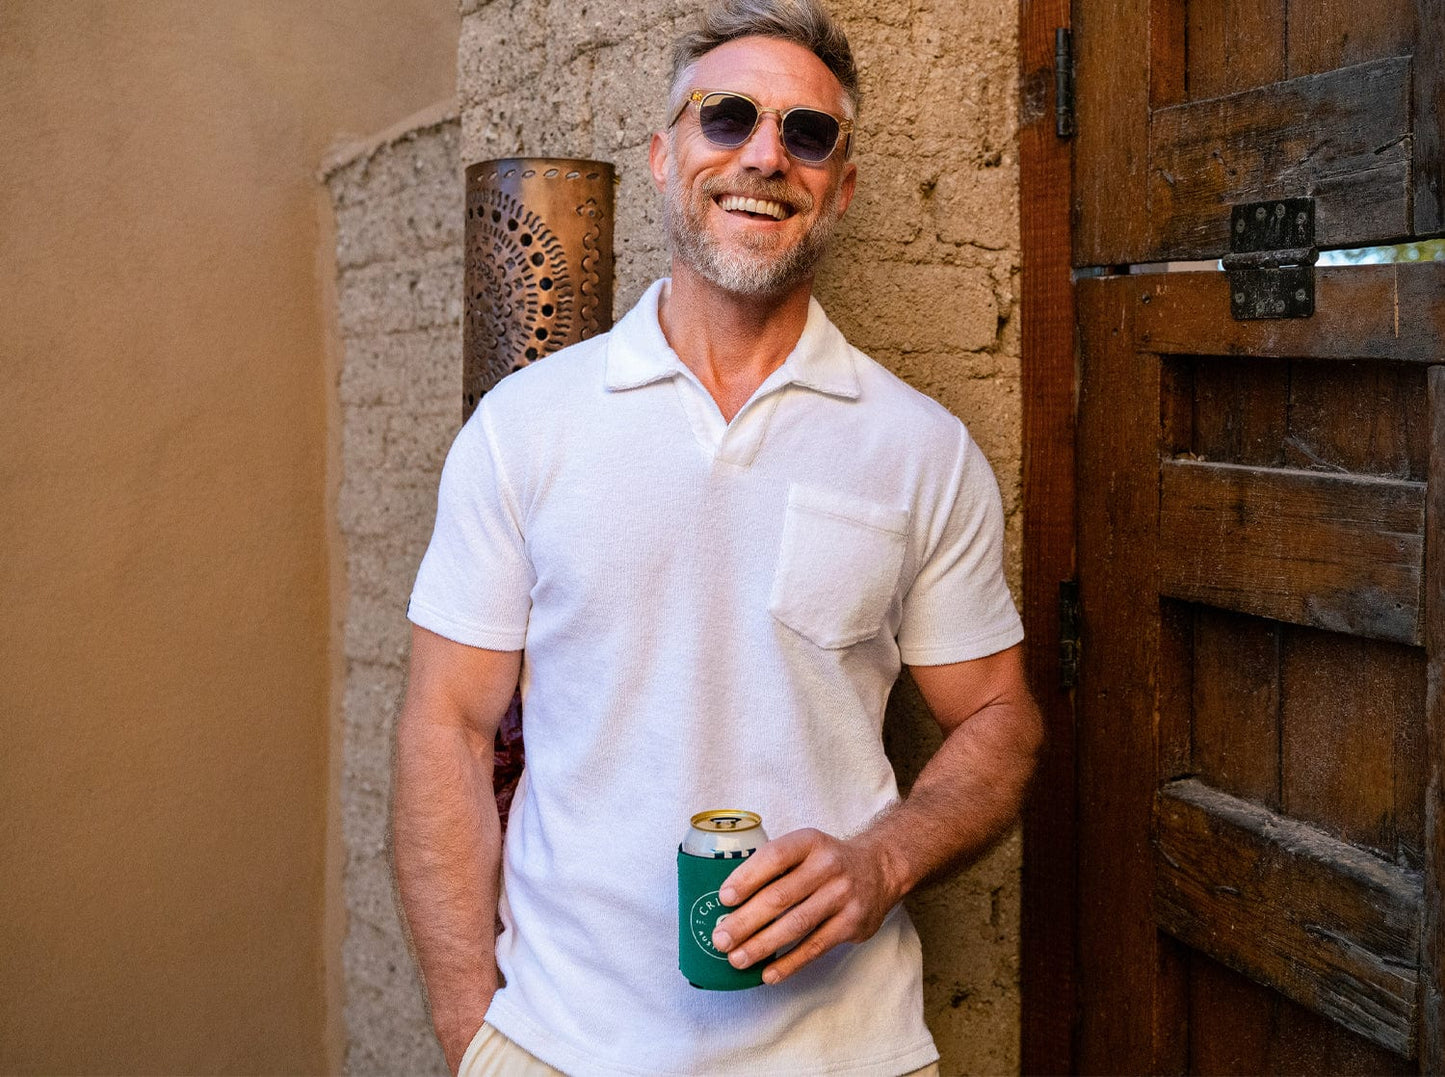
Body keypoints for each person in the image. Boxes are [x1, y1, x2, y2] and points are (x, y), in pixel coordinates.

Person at [393, 0, 1043, 1073]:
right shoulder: (525, 427)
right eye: (726, 116)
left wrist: (884, 861)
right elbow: (444, 730)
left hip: (845, 1051)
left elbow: (997, 716)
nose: (764, 156)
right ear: (663, 156)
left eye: (807, 133)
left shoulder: (918, 448)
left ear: (841, 185)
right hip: (564, 1044)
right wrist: (473, 1035)